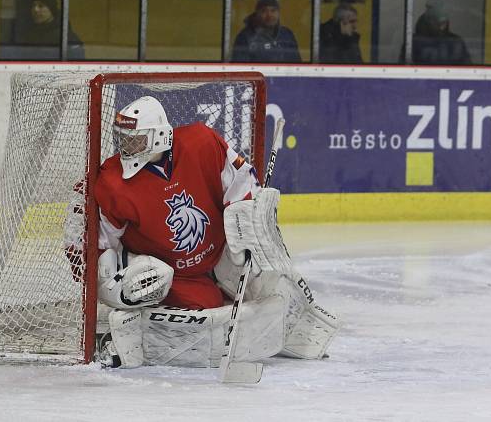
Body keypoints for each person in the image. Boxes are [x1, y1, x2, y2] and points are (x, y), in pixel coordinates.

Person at [90, 96, 341, 369]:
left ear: (159, 136)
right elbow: (103, 243)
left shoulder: (202, 142)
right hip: (175, 273)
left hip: (222, 250)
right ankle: (126, 333)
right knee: (207, 311)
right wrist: (112, 285)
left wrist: (248, 228)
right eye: (123, 139)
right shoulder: (113, 182)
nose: (126, 147)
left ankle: (300, 335)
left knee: (273, 277)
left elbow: (242, 181)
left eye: (135, 139)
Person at [232, 0, 301, 63]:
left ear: (278, 12)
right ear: (257, 13)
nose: (269, 15)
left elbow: (298, 66)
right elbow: (241, 70)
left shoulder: (287, 35)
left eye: (273, 10)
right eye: (264, 11)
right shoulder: (245, 38)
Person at [19, 0, 85, 60]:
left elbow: (77, 64)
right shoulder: (30, 35)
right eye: (33, 5)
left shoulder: (66, 36)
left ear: (51, 9)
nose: (35, 10)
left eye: (41, 6)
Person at [409, 0, 472, 65]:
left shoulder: (456, 42)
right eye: (436, 22)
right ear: (428, 21)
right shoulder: (414, 42)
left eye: (443, 23)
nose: (441, 27)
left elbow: (468, 69)